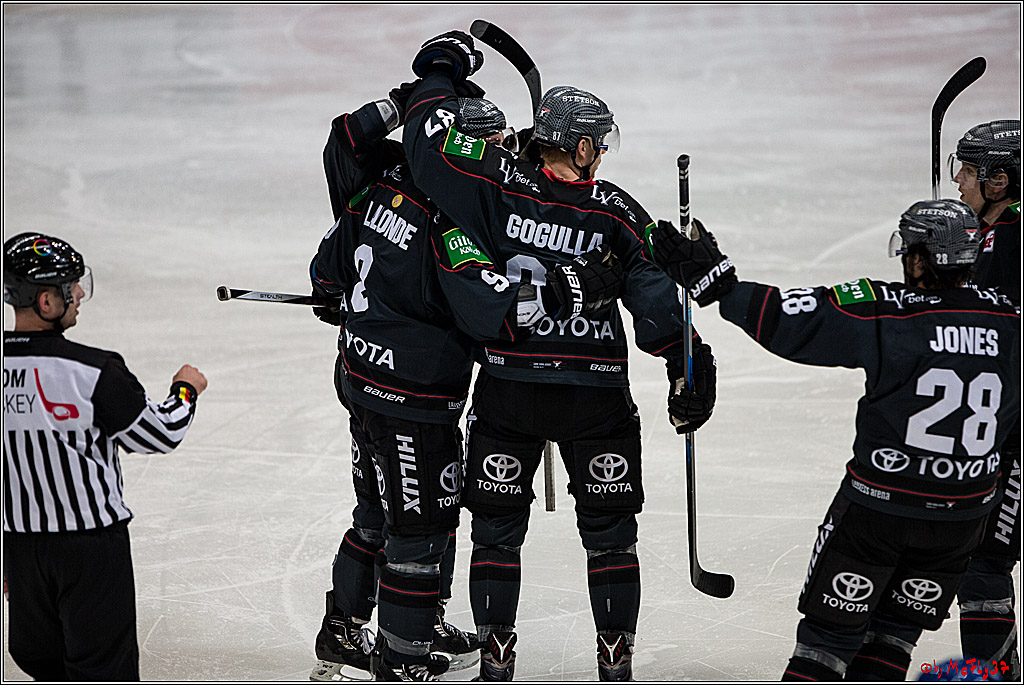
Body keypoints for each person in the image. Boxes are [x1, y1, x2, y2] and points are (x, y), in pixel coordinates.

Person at [399, 31, 718, 681]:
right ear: (580, 147)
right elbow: (655, 295)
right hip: (593, 396)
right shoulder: (616, 209)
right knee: (610, 535)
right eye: (597, 142)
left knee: (495, 530)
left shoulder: (494, 183)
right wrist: (687, 362)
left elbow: (429, 150)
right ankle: (615, 661)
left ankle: (495, 658)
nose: (601, 153)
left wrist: (437, 81)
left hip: (509, 390)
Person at [309, 86, 623, 682]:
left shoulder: (381, 188)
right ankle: (402, 655)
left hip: (359, 376)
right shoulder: (453, 222)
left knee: (376, 511)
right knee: (421, 524)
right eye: (495, 147)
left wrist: (408, 99)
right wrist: (572, 287)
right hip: (415, 395)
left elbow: (326, 272)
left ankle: (346, 628)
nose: (502, 159)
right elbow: (493, 312)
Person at [647, 198, 1020, 681]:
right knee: (893, 637)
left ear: (918, 260)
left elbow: (791, 320)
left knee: (826, 641)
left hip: (878, 513)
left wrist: (718, 285)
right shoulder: (1012, 319)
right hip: (961, 521)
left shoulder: (887, 311)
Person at [3, 232, 207, 681]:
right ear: (45, 301)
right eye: (70, 287)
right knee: (104, 670)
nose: (79, 295)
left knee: (43, 663)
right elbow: (160, 432)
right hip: (91, 550)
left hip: (19, 547)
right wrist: (185, 390)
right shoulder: (93, 371)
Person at [949, 119, 1021, 679]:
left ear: (1000, 181)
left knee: (985, 558)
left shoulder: (1008, 241)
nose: (958, 182)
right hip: (999, 420)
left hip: (1012, 428)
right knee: (980, 556)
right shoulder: (996, 233)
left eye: (968, 172)